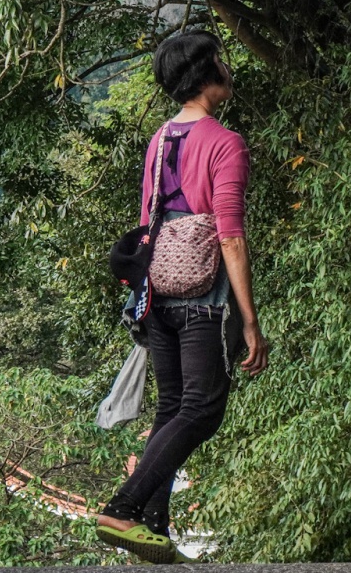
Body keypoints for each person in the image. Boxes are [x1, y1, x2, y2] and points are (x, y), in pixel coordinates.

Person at [96, 30, 269, 563]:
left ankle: (154, 527)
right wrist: (249, 321)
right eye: (221, 58)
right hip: (201, 297)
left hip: (156, 293)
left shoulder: (160, 139)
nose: (228, 66)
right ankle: (122, 507)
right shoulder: (224, 142)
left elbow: (150, 222)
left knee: (173, 406)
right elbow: (231, 237)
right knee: (203, 408)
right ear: (207, 71)